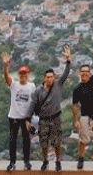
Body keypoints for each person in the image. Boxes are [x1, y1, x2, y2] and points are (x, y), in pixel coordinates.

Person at [30, 44, 71, 172]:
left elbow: (66, 73)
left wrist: (68, 59)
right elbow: (32, 105)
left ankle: (58, 160)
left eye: (52, 76)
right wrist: (28, 120)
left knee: (57, 142)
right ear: (44, 78)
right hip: (43, 119)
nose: (50, 79)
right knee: (44, 143)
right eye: (47, 77)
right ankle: (45, 160)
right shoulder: (38, 91)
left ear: (54, 77)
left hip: (56, 118)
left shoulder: (58, 85)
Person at [72, 46, 93, 169]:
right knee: (83, 139)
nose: (85, 73)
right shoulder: (77, 89)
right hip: (85, 115)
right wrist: (75, 120)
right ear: (79, 74)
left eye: (87, 71)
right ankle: (81, 158)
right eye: (83, 72)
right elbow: (74, 105)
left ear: (89, 73)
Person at [1, 51, 36, 172]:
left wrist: (29, 119)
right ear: (19, 75)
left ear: (28, 74)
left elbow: (33, 103)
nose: (23, 75)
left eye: (25, 73)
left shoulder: (32, 86)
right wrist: (6, 65)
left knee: (26, 140)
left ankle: (26, 161)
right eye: (21, 73)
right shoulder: (14, 85)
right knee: (13, 140)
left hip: (25, 118)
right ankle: (12, 162)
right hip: (14, 116)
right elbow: (6, 77)